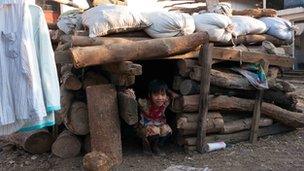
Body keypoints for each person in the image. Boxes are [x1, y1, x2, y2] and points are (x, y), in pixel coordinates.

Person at [137, 79, 176, 156]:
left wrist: (171, 92)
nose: (160, 98)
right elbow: (133, 101)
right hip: (145, 128)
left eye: (162, 94)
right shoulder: (144, 103)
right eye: (156, 95)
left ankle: (155, 146)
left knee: (167, 130)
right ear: (149, 95)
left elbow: (174, 96)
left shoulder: (165, 102)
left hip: (159, 125)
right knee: (154, 131)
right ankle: (146, 146)